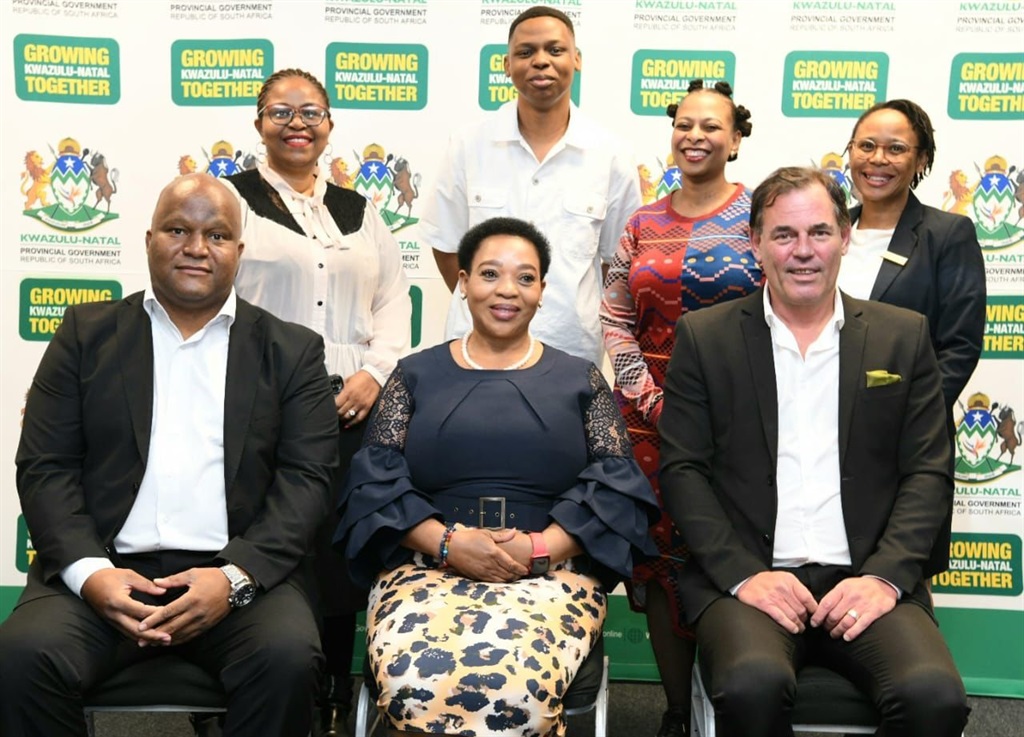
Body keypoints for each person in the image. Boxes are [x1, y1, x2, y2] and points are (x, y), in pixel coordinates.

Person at [0, 174, 339, 737]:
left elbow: (307, 483)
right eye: (178, 230)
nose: (196, 248)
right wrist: (93, 576)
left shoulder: (292, 350)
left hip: (238, 578)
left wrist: (232, 580)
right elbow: (45, 467)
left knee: (286, 659)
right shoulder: (85, 334)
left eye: (217, 234)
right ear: (149, 238)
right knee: (22, 655)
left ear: (239, 251)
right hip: (107, 571)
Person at [659, 167, 969, 737]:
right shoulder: (706, 337)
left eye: (820, 233)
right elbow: (682, 470)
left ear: (845, 238)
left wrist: (884, 578)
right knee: (753, 685)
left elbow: (928, 472)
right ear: (755, 243)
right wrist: (743, 575)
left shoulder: (904, 335)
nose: (804, 252)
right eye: (784, 235)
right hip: (753, 579)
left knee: (934, 697)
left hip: (868, 579)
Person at [335, 217, 658, 737]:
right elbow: (374, 483)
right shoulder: (414, 374)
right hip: (427, 569)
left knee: (513, 684)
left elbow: (616, 485)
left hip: (550, 574)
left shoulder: (581, 380)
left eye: (525, 278)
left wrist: (538, 549)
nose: (507, 290)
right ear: (462, 283)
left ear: (542, 291)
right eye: (489, 274)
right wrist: (447, 544)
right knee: (414, 680)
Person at [222, 68, 411, 737]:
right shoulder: (232, 201)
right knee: (274, 544)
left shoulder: (362, 211)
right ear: (258, 123)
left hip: (352, 409)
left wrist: (376, 374)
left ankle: (332, 689)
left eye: (311, 111)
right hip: (261, 406)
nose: (297, 122)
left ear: (330, 124)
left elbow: (393, 303)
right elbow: (214, 296)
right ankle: (258, 685)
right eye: (281, 111)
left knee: (336, 553)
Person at [599, 80, 759, 737]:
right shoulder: (642, 223)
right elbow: (614, 317)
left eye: (711, 126)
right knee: (661, 568)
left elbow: (777, 315)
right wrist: (648, 395)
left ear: (736, 139)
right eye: (684, 125)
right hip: (647, 422)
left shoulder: (761, 216)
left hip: (737, 421)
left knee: (724, 559)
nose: (695, 136)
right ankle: (672, 710)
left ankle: (727, 704)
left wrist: (716, 407)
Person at [421, 5, 641, 365]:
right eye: (525, 52)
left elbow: (616, 263)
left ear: (577, 59)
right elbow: (446, 246)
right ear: (507, 66)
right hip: (474, 351)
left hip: (570, 350)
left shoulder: (611, 155)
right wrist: (492, 311)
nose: (541, 61)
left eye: (555, 50)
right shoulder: (467, 145)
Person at [839, 98, 985, 576]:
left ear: (921, 160)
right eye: (866, 146)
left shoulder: (947, 235)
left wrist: (903, 417)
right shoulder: (827, 231)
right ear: (850, 152)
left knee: (895, 581)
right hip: (820, 438)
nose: (877, 160)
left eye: (896, 148)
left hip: (904, 445)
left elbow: (959, 346)